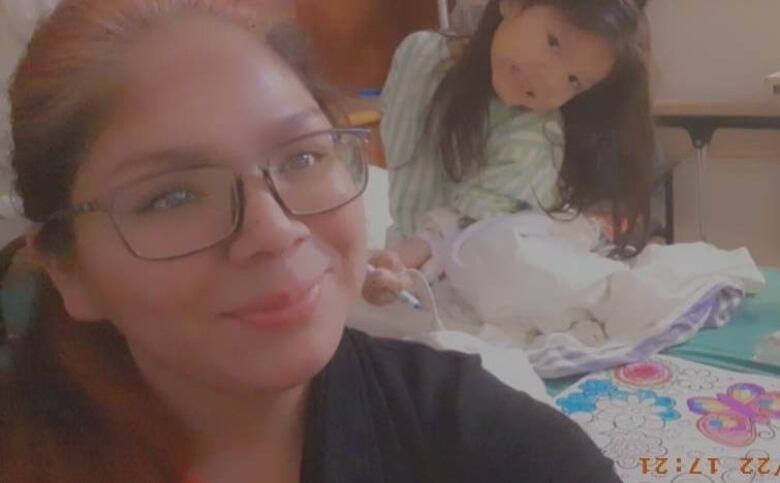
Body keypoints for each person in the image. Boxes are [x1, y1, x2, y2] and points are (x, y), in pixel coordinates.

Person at [0, 0, 621, 482]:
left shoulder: (472, 435)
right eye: (172, 197)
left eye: (302, 156)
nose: (275, 231)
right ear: (67, 268)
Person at [364, 0, 654, 306]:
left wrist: (397, 262)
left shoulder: (535, 135)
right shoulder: (418, 54)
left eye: (574, 81)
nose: (548, 82)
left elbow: (457, 226)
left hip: (461, 267)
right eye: (553, 43)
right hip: (407, 256)